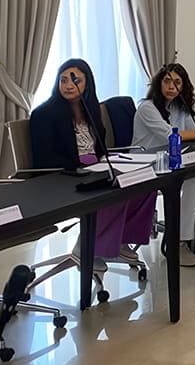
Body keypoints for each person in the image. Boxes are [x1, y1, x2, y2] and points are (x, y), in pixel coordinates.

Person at [29, 59, 158, 270]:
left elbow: (99, 149)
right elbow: (44, 159)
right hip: (62, 177)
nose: (68, 85)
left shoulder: (91, 110)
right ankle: (88, 248)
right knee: (110, 190)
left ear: (87, 83)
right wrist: (81, 167)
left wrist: (107, 162)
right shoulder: (43, 114)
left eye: (75, 80)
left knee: (145, 186)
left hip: (93, 170)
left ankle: (120, 241)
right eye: (63, 80)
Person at [133, 63, 195, 265]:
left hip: (173, 160)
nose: (171, 86)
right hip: (147, 164)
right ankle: (178, 243)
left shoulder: (179, 107)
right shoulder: (147, 107)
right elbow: (171, 135)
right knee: (193, 182)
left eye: (177, 82)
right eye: (167, 81)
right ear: (159, 84)